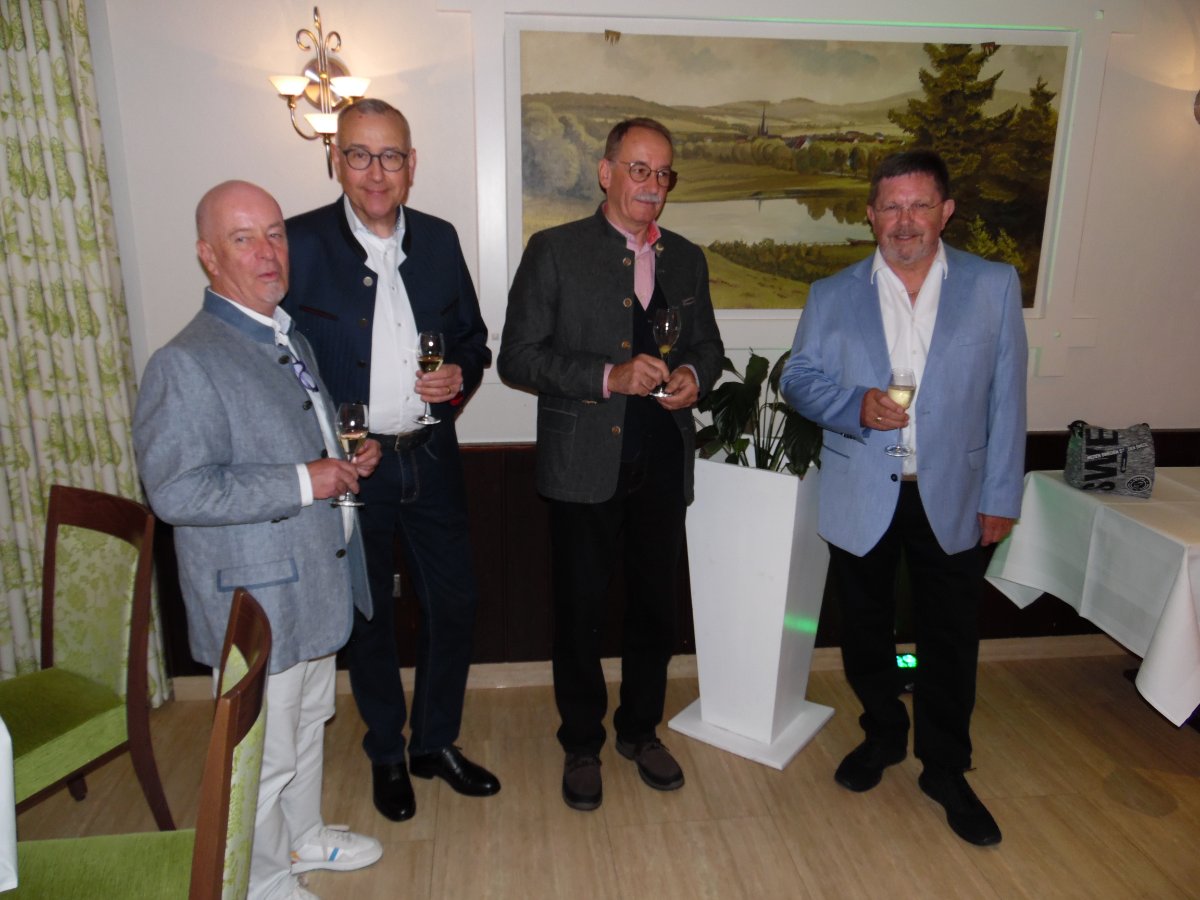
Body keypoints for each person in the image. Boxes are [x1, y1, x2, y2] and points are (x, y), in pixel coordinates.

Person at [134, 180, 383, 900]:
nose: (269, 251)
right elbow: (177, 491)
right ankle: (261, 881)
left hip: (312, 580)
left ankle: (302, 837)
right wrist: (307, 480)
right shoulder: (185, 360)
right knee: (264, 755)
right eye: (243, 238)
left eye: (275, 233)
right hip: (258, 599)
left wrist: (341, 461)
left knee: (306, 725)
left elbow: (289, 445)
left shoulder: (284, 334)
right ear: (208, 256)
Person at [780, 149, 1027, 847]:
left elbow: (1008, 396)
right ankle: (883, 733)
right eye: (891, 206)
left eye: (919, 205)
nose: (905, 220)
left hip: (956, 495)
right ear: (871, 215)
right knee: (865, 630)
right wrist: (854, 404)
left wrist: (1001, 494)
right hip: (863, 491)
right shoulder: (832, 293)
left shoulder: (993, 285)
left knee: (950, 639)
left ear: (946, 211)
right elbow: (798, 379)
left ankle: (945, 768)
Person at [282, 99, 499, 824]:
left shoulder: (438, 239)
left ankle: (434, 743)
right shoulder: (301, 243)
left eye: (391, 156)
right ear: (336, 160)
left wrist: (458, 377)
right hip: (353, 466)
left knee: (455, 602)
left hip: (430, 455)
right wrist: (325, 445)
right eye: (359, 155)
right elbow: (276, 357)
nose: (376, 173)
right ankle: (386, 752)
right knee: (368, 612)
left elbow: (472, 340)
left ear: (411, 165)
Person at [498, 117, 724, 812]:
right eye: (638, 169)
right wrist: (607, 377)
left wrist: (693, 375)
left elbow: (709, 348)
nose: (652, 185)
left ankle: (639, 731)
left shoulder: (687, 258)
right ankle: (581, 743)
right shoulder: (554, 250)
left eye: (663, 173)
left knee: (655, 610)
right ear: (606, 172)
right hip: (582, 464)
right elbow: (517, 358)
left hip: (663, 461)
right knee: (581, 613)